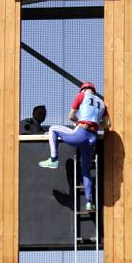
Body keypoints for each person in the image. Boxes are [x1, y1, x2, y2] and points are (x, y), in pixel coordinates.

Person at [38, 82, 109, 212]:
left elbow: (71, 116)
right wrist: (94, 124)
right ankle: (89, 202)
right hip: (92, 138)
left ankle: (53, 159)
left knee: (53, 128)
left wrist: (81, 123)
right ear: (93, 90)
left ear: (83, 90)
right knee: (86, 172)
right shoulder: (103, 103)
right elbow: (107, 124)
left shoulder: (81, 96)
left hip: (80, 133)